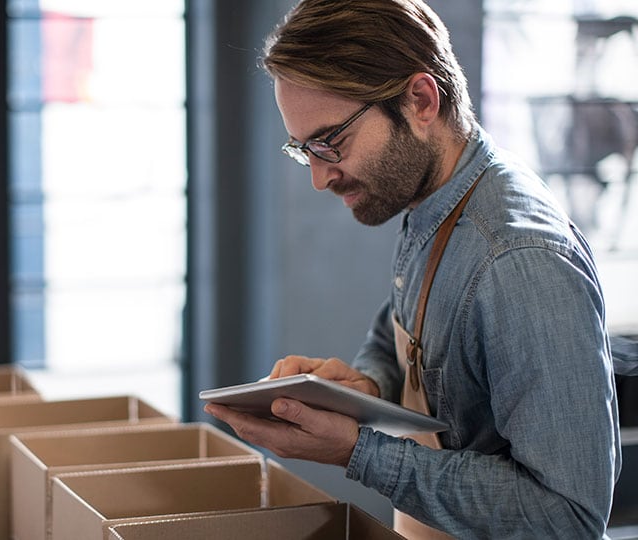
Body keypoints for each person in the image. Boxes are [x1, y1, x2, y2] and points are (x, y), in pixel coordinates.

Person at [202, 1, 622, 538]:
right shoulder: (437, 200)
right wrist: (366, 385)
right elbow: (401, 331)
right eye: (303, 149)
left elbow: (566, 517)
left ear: (420, 101)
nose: (319, 177)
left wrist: (358, 451)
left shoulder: (518, 262)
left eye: (332, 142)